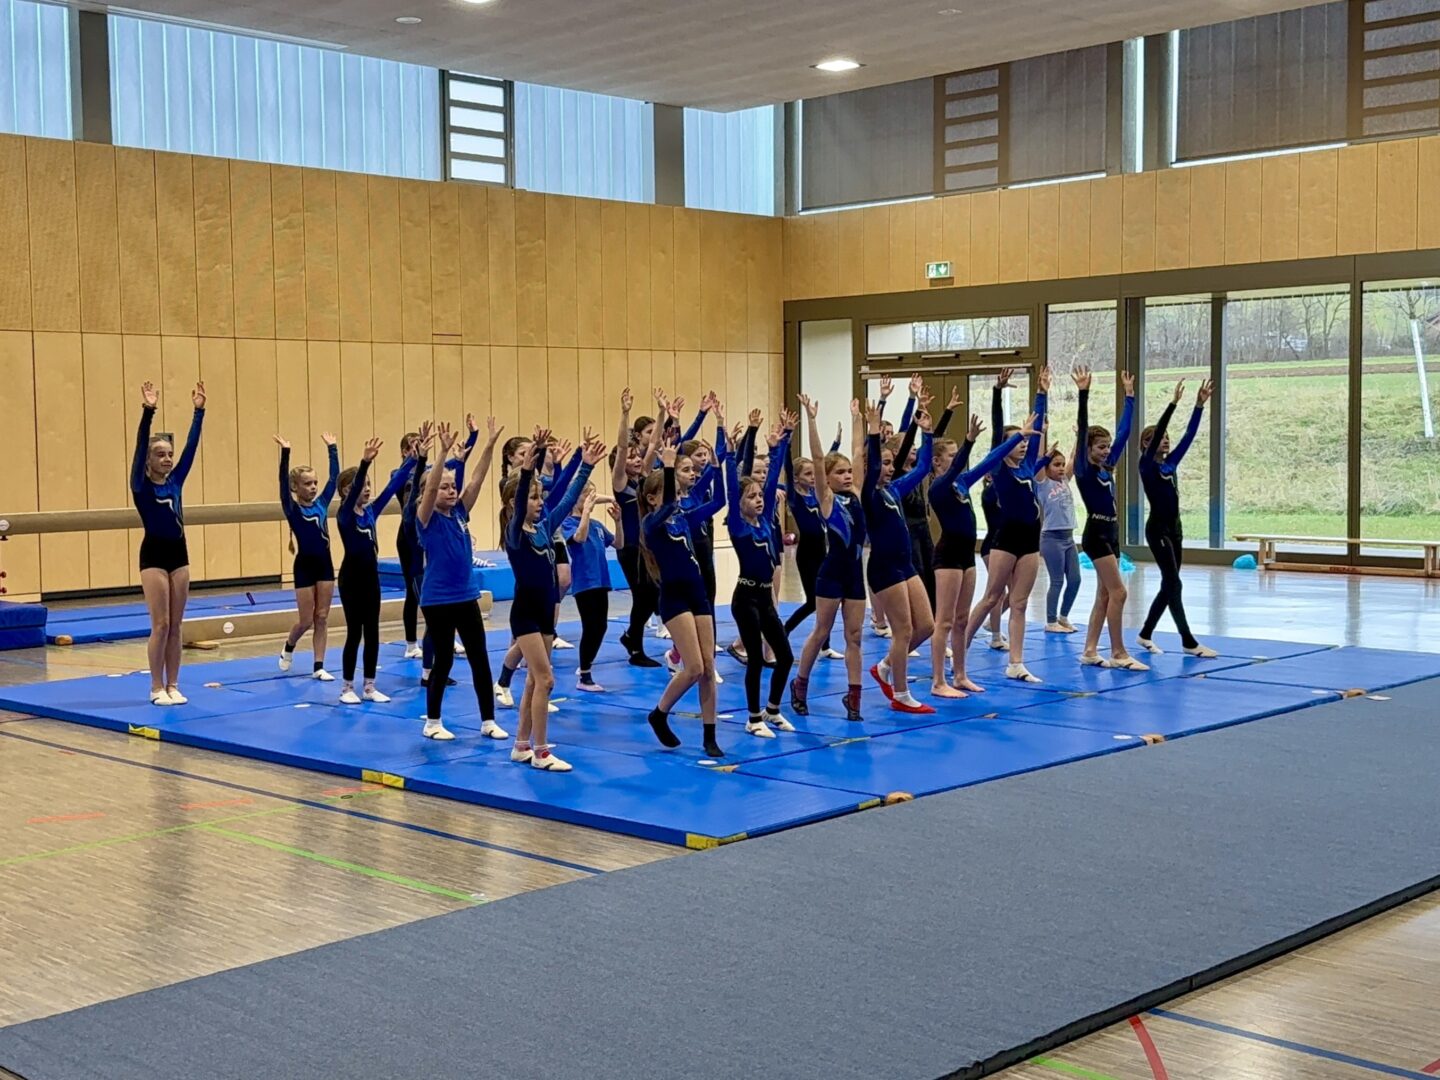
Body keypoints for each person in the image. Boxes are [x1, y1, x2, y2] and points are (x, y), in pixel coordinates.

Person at [501, 429, 603, 772]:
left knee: (535, 681)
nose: (539, 502)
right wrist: (527, 473)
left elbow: (564, 496)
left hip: (545, 612)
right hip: (526, 614)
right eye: (533, 498)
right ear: (515, 504)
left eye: (538, 497)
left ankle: (521, 745)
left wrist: (585, 466)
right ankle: (541, 752)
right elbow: (519, 506)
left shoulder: (544, 527)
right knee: (545, 680)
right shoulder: (515, 533)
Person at [414, 419, 508, 742]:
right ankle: (432, 722)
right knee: (444, 660)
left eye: (453, 486)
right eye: (445, 487)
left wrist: (490, 445)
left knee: (480, 658)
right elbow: (429, 489)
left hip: (466, 595)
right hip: (438, 599)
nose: (451, 490)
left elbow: (477, 480)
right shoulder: (426, 518)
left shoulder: (459, 514)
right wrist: (441, 454)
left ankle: (488, 720)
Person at [926, 413, 1026, 698]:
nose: (958, 459)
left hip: (966, 556)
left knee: (961, 620)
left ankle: (960, 675)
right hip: (947, 556)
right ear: (937, 462)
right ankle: (938, 681)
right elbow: (961, 464)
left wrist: (1020, 436)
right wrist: (969, 440)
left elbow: (989, 461)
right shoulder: (938, 487)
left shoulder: (962, 482)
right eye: (952, 455)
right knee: (944, 621)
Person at [964, 369, 1050, 683]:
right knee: (992, 597)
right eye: (1018, 442)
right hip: (1006, 539)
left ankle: (1016, 662)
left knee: (1020, 602)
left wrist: (1042, 393)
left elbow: (1037, 428)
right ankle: (960, 645)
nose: (1024, 445)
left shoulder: (1027, 467)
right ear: (1006, 446)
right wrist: (998, 393)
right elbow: (997, 432)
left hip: (1030, 540)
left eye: (1025, 442)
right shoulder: (999, 469)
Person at [641, 444, 726, 758]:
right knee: (693, 667)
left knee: (708, 667)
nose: (676, 497)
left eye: (677, 492)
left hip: (697, 592)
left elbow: (719, 501)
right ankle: (659, 713)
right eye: (670, 492)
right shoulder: (651, 524)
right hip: (674, 598)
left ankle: (709, 735)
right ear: (652, 498)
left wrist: (718, 467)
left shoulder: (684, 518)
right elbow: (665, 508)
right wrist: (666, 466)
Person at [790, 396, 868, 722]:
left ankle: (854, 697)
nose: (848, 476)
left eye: (849, 471)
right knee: (821, 630)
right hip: (831, 572)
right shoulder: (826, 499)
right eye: (840, 472)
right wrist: (811, 419)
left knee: (854, 637)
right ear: (828, 477)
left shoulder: (858, 493)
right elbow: (819, 456)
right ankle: (800, 684)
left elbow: (859, 451)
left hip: (855, 575)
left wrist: (857, 418)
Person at [722, 404, 797, 739]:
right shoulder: (738, 526)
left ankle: (773, 709)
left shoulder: (765, 521)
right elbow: (731, 486)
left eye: (759, 495)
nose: (758, 499)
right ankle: (753, 718)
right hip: (745, 598)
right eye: (751, 496)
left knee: (785, 657)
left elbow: (774, 477)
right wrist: (729, 454)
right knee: (755, 658)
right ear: (740, 502)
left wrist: (782, 441)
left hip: (765, 597)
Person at [132, 379, 205, 706]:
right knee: (160, 624)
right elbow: (139, 448)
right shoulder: (141, 486)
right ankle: (155, 686)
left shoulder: (176, 481)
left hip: (179, 554)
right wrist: (149, 411)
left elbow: (191, 448)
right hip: (153, 556)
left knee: (176, 624)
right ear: (148, 461)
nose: (167, 459)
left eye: (169, 455)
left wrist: (199, 412)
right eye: (160, 454)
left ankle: (174, 684)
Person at [1071, 368, 1148, 671]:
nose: (1106, 451)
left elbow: (1125, 433)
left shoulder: (1107, 467)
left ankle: (1090, 650)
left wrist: (1130, 397)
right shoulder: (1084, 470)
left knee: (1105, 594)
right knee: (1119, 592)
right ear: (1088, 449)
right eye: (1100, 447)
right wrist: (1083, 393)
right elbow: (1083, 426)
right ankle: (1118, 652)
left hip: (1111, 531)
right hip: (1096, 533)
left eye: (1107, 447)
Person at [863, 398, 936, 714]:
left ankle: (885, 667)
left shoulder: (893, 491)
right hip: (884, 567)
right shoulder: (868, 493)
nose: (890, 468)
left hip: (904, 565)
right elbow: (872, 465)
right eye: (885, 463)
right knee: (903, 631)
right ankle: (901, 693)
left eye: (892, 464)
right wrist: (873, 430)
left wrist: (928, 434)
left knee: (927, 626)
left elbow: (923, 468)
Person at [1137, 379, 1218, 658]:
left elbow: (1189, 435)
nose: (1165, 440)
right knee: (1174, 584)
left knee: (1169, 583)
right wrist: (1173, 403)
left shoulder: (1171, 463)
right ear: (1146, 444)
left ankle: (1145, 633)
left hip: (1175, 528)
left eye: (1166, 437)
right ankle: (1188, 641)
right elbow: (1160, 427)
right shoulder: (1146, 465)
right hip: (1157, 529)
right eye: (1159, 437)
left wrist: (1199, 405)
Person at [335, 436, 416, 704]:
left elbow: (393, 486)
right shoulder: (345, 515)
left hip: (371, 580)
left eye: (369, 484)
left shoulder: (371, 512)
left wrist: (413, 459)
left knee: (372, 632)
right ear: (346, 491)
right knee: (354, 633)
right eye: (362, 485)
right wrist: (365, 463)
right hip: (351, 580)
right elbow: (356, 485)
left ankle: (369, 686)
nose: (367, 489)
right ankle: (347, 687)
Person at [274, 430, 341, 680]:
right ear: (295, 487)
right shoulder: (292, 508)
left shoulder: (321, 504)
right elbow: (282, 484)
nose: (313, 487)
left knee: (322, 617)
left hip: (325, 564)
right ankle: (289, 645)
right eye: (307, 483)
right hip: (304, 566)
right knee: (306, 620)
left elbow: (334, 479)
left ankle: (318, 666)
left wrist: (332, 449)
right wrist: (286, 453)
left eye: (315, 483)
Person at [612, 387, 665, 666]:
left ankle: (632, 637)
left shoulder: (644, 477)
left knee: (651, 594)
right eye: (631, 457)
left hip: (647, 545)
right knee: (643, 596)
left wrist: (662, 412)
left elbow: (654, 444)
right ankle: (635, 648)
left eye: (637, 457)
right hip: (630, 547)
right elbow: (622, 447)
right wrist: (625, 414)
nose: (635, 460)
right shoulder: (620, 482)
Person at [561, 483, 623, 693]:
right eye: (586, 495)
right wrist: (585, 512)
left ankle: (585, 665)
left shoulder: (597, 525)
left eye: (592, 495)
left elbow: (619, 544)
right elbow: (579, 537)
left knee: (601, 627)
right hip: (585, 583)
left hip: (601, 581)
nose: (591, 499)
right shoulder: (568, 523)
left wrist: (618, 522)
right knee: (590, 627)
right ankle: (585, 676)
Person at [1036, 443, 1082, 634]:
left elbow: (1073, 458)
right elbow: (1038, 462)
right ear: (1047, 468)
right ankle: (1051, 620)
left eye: (1062, 464)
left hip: (1069, 538)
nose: (1062, 468)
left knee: (1075, 580)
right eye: (1056, 464)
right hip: (1052, 538)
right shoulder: (1042, 484)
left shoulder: (1065, 481)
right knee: (1057, 581)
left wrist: (1079, 436)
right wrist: (1041, 437)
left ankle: (1063, 616)